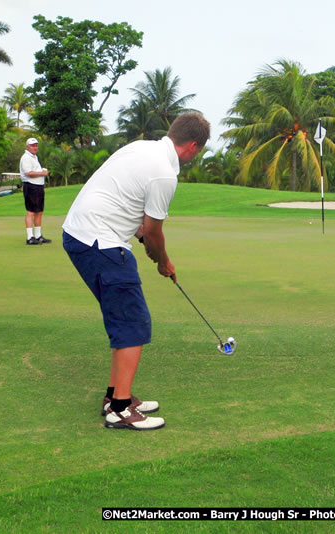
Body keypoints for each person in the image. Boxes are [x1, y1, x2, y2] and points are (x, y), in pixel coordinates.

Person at [62, 113, 210, 431]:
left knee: (122, 320)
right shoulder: (164, 174)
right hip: (101, 241)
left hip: (81, 234)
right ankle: (120, 411)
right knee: (133, 323)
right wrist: (162, 261)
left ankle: (117, 396)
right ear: (194, 146)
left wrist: (146, 241)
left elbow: (136, 218)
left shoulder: (143, 148)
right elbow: (153, 232)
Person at [19, 138, 51, 245]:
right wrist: (42, 173)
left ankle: (38, 236)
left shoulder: (34, 157)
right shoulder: (26, 158)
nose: (35, 147)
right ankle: (30, 237)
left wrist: (41, 172)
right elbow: (28, 173)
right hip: (31, 186)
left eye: (36, 145)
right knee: (31, 212)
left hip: (38, 186)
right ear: (27, 147)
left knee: (39, 211)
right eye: (32, 145)